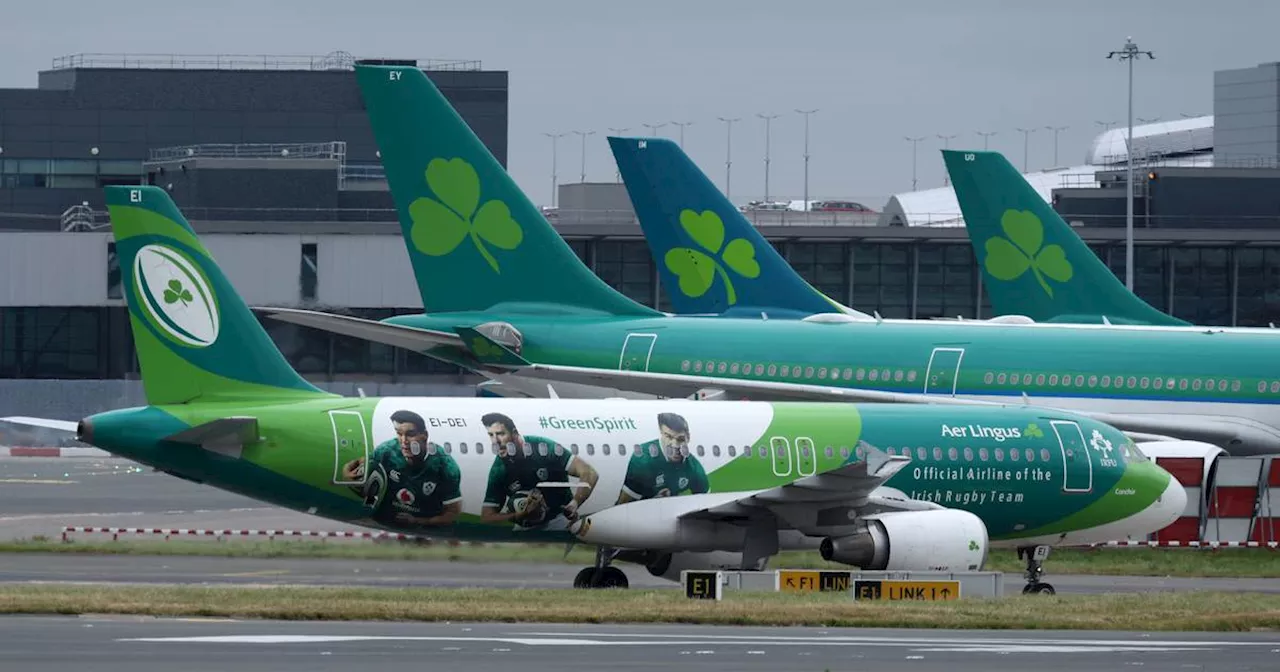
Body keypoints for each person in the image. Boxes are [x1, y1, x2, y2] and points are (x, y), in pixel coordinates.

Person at [340, 409, 462, 528]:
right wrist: (347, 471)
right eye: (399, 433)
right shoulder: (387, 451)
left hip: (426, 527)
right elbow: (361, 462)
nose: (404, 441)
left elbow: (452, 515)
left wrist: (417, 521)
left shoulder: (444, 466)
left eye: (410, 434)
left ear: (424, 436)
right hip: (384, 520)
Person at [479, 412, 598, 531]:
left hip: (559, 519)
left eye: (500, 434)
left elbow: (589, 473)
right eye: (491, 435)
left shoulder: (543, 448)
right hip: (525, 525)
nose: (495, 441)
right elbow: (487, 517)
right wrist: (518, 515)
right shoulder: (499, 469)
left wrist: (574, 504)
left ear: (515, 433)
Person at [617, 412, 710, 504]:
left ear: (688, 438)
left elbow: (706, 506)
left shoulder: (694, 468)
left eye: (680, 439)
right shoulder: (643, 461)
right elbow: (621, 507)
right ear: (661, 434)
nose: (675, 445)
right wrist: (651, 504)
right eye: (669, 437)